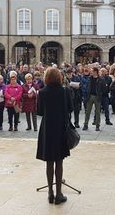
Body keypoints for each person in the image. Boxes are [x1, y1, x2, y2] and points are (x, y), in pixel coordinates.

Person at [36, 67, 72, 205]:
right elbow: (70, 108)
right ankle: (59, 194)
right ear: (59, 77)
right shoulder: (65, 91)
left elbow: (39, 112)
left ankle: (50, 192)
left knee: (49, 161)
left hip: (47, 128)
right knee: (59, 161)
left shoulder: (42, 92)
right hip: (61, 128)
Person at [83, 67, 104, 131]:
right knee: (87, 111)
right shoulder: (89, 78)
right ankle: (85, 124)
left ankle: (97, 125)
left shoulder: (100, 79)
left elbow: (103, 88)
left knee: (97, 112)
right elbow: (87, 86)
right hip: (90, 96)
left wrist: (100, 94)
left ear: (95, 72)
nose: (91, 72)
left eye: (92, 71)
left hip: (97, 96)